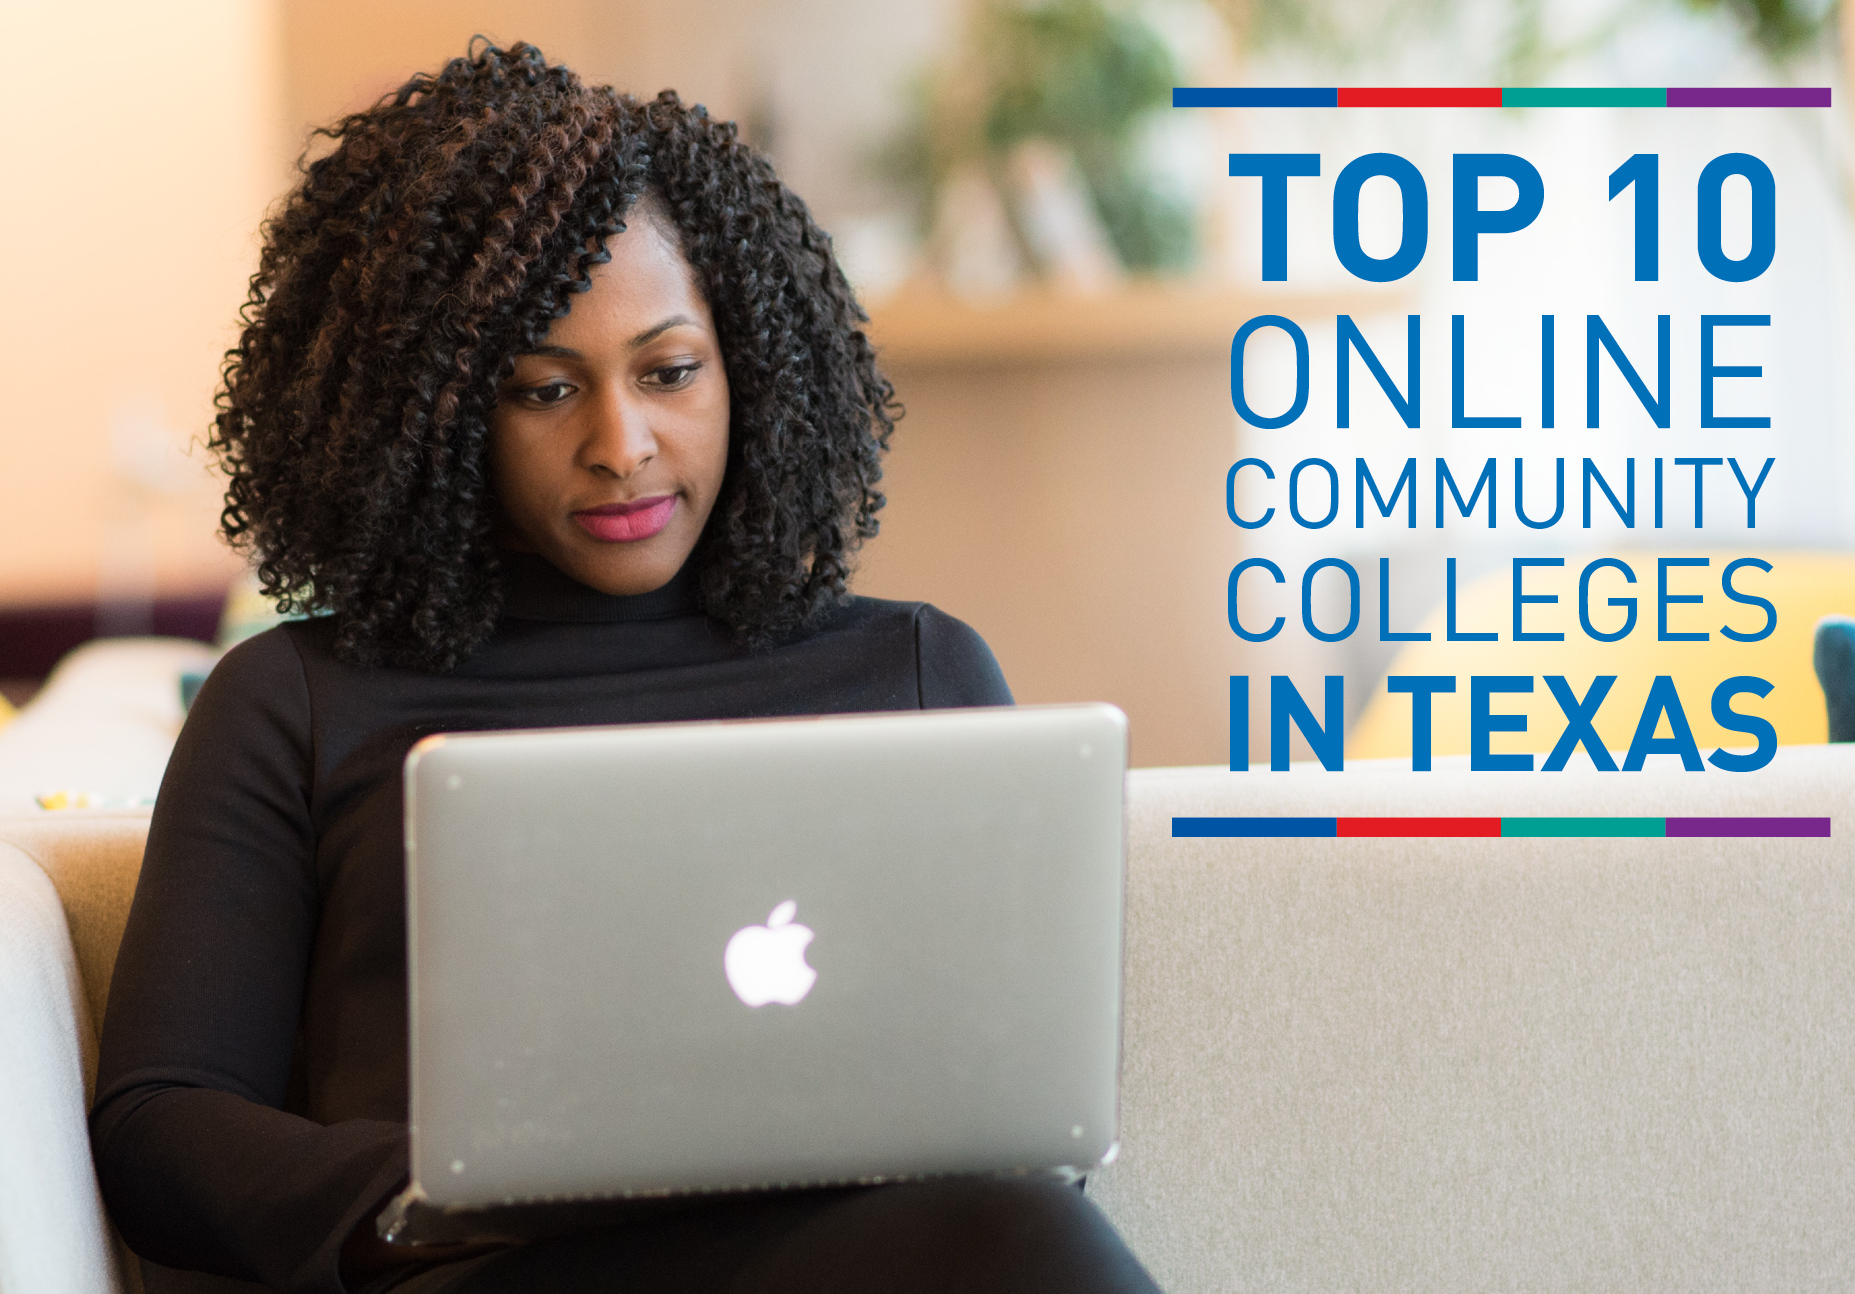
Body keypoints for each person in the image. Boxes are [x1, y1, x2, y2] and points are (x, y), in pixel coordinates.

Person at [89, 42, 1163, 1294]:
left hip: (873, 1261)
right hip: (489, 1273)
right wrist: (436, 1191)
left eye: (668, 371)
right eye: (544, 388)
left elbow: (1010, 1104)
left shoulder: (918, 668)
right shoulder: (296, 701)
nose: (620, 444)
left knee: (1028, 1233)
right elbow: (160, 1122)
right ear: (434, 411)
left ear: (750, 369)